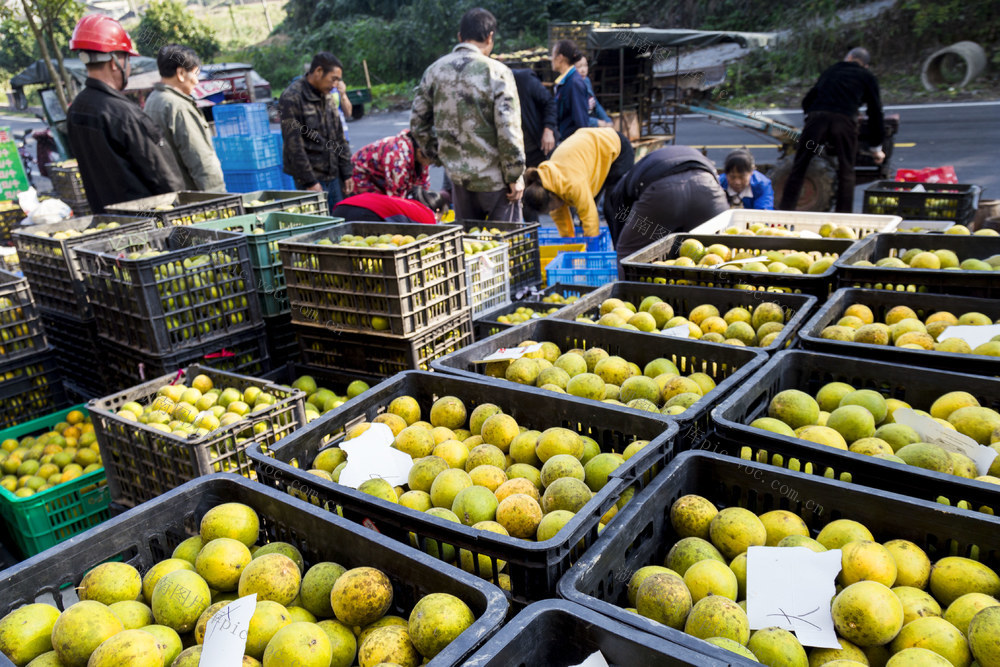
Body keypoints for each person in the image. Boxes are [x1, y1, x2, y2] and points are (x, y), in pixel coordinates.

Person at [411, 8, 525, 221]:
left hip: (458, 180)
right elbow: (508, 129)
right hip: (496, 182)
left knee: (469, 246)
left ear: (460, 37)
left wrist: (438, 154)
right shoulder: (497, 72)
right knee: (505, 247)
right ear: (490, 37)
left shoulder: (434, 71)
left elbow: (418, 122)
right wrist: (514, 174)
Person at [65, 14, 184, 213]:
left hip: (107, 223)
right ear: (114, 62)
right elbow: (165, 178)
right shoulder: (125, 115)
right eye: (128, 61)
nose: (129, 68)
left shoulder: (76, 109)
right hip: (147, 227)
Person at [779, 47, 885, 213]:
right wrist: (876, 147)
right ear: (865, 65)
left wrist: (811, 118)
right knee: (846, 171)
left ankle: (785, 210)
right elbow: (875, 111)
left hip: (818, 119)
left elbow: (808, 100)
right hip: (844, 122)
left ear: (848, 57)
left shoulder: (832, 70)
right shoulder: (867, 76)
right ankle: (843, 217)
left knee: (799, 166)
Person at [604, 145, 729, 274]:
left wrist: (620, 243)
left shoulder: (619, 191)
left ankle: (628, 293)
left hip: (663, 190)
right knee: (716, 252)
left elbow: (620, 221)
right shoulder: (637, 173)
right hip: (708, 187)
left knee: (628, 254)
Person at [522, 126, 634, 238]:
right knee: (584, 215)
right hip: (593, 153)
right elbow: (563, 224)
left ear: (551, 196)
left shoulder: (572, 183)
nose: (554, 210)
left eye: (552, 208)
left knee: (613, 208)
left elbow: (590, 217)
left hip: (615, 146)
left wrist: (591, 251)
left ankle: (624, 250)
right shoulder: (547, 185)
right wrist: (570, 247)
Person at [144, 44, 226, 192]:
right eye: (195, 74)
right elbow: (200, 160)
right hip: (193, 198)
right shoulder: (178, 106)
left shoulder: (152, 100)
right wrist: (220, 197)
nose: (197, 81)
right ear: (181, 73)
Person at [279, 52, 353, 210]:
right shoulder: (292, 97)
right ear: (319, 71)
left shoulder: (327, 95)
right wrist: (310, 182)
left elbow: (339, 136)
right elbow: (294, 147)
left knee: (342, 223)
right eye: (333, 79)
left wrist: (347, 172)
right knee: (321, 229)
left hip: (334, 175)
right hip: (312, 180)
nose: (335, 85)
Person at [511, 68, 556, 222]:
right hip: (515, 152)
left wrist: (548, 128)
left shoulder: (524, 79)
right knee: (524, 197)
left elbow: (549, 102)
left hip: (537, 147)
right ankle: (534, 234)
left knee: (549, 189)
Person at [350, 129, 432, 199]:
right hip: (362, 175)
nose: (431, 164)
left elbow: (422, 184)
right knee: (381, 208)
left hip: (383, 177)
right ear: (419, 152)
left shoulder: (421, 152)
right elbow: (396, 197)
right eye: (432, 161)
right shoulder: (398, 159)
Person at [551, 40, 591, 141]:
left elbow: (581, 121)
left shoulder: (574, 83)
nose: (551, 59)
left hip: (573, 143)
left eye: (552, 55)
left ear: (560, 58)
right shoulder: (564, 81)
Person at [331, 191, 439, 224]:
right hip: (364, 214)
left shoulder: (412, 204)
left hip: (341, 207)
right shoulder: (429, 220)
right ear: (437, 211)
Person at [575, 56, 613, 128]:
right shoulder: (573, 87)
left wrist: (607, 120)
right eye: (579, 67)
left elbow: (595, 103)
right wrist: (597, 123)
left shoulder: (586, 81)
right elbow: (579, 118)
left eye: (585, 66)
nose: (583, 70)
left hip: (593, 119)